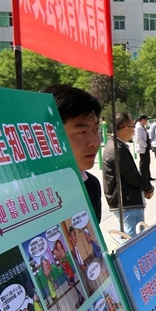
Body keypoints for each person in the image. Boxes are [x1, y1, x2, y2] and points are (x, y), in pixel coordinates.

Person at [42, 85, 103, 220]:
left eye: (95, 129)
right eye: (82, 132)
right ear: (49, 133)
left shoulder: (92, 185)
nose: (94, 142)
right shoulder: (24, 195)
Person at [103, 113, 153, 236]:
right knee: (133, 239)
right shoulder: (117, 149)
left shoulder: (117, 145)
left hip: (126, 201)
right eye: (133, 127)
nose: (134, 130)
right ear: (126, 128)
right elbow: (132, 176)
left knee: (127, 238)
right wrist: (149, 187)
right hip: (127, 203)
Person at [134, 115, 151, 181]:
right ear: (142, 120)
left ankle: (148, 176)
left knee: (147, 162)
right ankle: (143, 176)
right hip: (143, 147)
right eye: (146, 120)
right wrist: (145, 145)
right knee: (143, 163)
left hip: (145, 147)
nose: (146, 122)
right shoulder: (138, 127)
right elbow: (138, 139)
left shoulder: (142, 127)